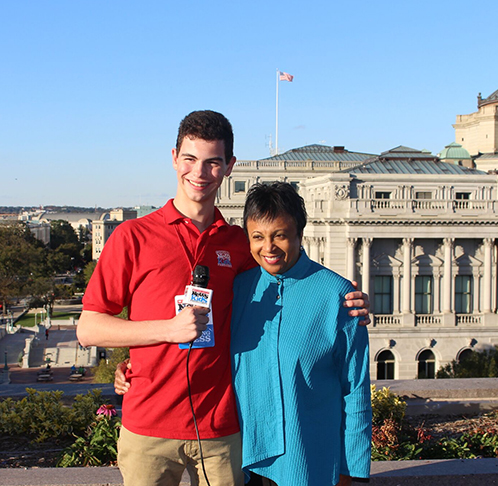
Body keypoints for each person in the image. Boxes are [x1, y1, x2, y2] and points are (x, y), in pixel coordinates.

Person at [78, 110, 369, 486]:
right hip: (149, 424)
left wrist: (349, 303)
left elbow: (295, 281)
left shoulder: (239, 244)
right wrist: (165, 332)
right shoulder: (133, 237)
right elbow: (89, 328)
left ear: (228, 166)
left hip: (222, 429)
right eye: (190, 159)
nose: (199, 172)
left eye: (213, 162)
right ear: (173, 159)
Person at [232, 183, 371, 486]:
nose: (268, 248)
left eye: (279, 235)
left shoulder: (338, 296)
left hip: (308, 462)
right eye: (258, 237)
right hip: (241, 464)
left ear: (299, 234)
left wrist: (350, 471)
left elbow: (356, 388)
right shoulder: (237, 290)